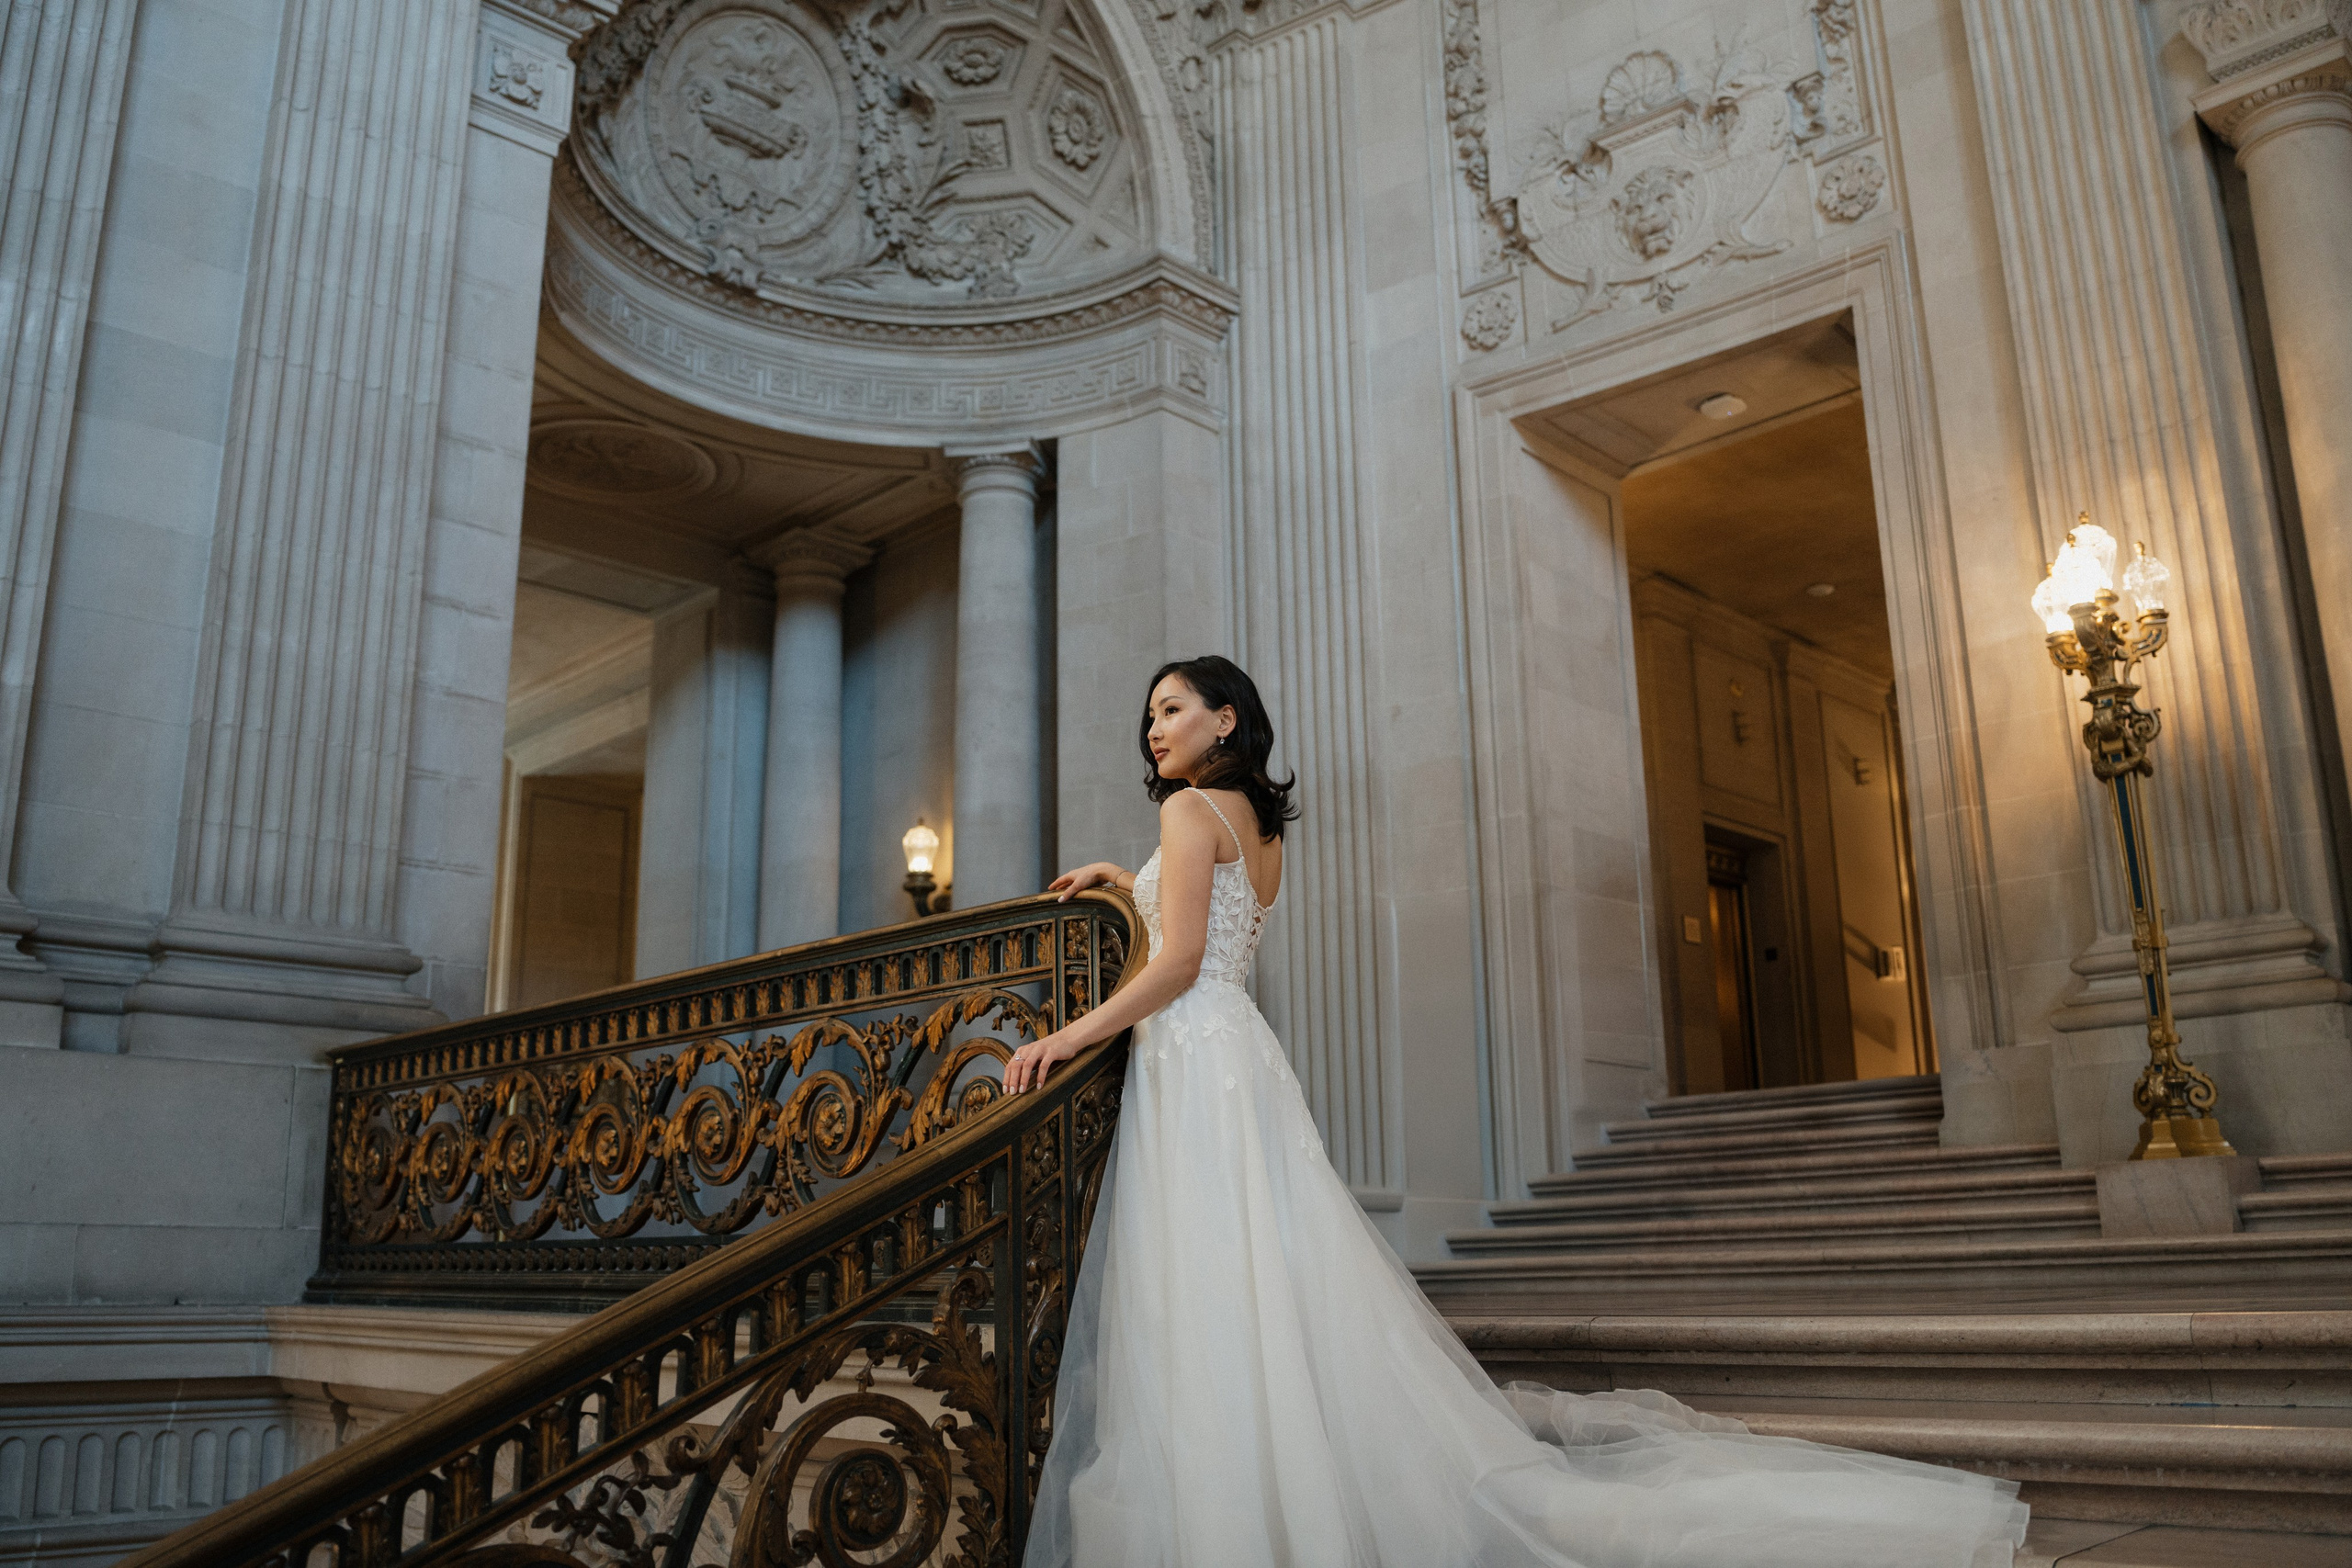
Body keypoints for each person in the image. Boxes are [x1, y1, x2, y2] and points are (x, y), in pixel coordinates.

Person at [1000, 655, 2029, 1568]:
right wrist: (1122, 883)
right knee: (1252, 1275)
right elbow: (1206, 928)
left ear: (1225, 720)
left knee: (1208, 1279)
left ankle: (1230, 1505)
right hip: (1236, 1053)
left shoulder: (1185, 815)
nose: (1153, 728)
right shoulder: (1255, 826)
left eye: (1171, 709)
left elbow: (1179, 961)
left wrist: (1065, 1036)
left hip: (1192, 1049)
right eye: (1148, 717)